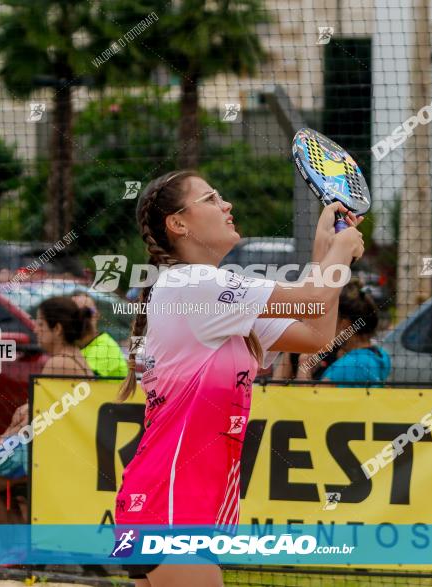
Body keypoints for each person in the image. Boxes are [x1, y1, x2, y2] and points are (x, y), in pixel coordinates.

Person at [113, 170, 364, 586]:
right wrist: (338, 252)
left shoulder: (214, 300)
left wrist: (325, 251)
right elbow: (314, 296)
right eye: (211, 199)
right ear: (178, 223)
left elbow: (317, 332)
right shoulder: (194, 284)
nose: (226, 204)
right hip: (173, 504)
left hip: (171, 500)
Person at [0, 296, 93, 525]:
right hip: (55, 452)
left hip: (53, 458)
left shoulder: (59, 364)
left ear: (57, 329)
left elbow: (38, 424)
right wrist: (2, 443)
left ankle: (18, 551)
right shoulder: (74, 359)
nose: (36, 330)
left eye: (40, 324)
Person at [275, 279, 391, 386]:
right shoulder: (381, 355)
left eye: (332, 317)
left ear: (344, 324)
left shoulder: (348, 365)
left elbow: (309, 404)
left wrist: (303, 367)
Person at [72, 292, 128, 378]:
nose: (82, 318)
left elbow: (82, 382)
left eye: (87, 313)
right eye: (76, 314)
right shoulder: (72, 346)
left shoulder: (105, 347)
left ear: (97, 315)